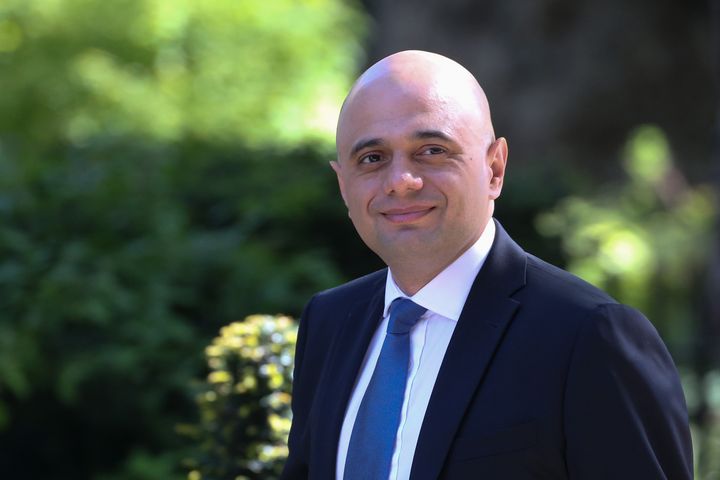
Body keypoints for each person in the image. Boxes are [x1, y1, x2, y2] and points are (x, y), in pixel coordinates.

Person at [280, 50, 693, 479]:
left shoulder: (589, 337)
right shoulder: (328, 323)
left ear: (494, 168)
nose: (401, 181)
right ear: (343, 184)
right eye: (372, 158)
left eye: (432, 150)